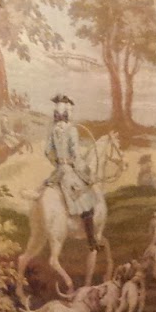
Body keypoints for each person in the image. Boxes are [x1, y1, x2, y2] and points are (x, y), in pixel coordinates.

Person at [44, 94, 98, 249]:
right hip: (69, 172)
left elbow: (47, 151)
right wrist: (86, 174)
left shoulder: (53, 130)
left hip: (58, 172)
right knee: (88, 204)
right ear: (67, 113)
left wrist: (57, 163)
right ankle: (92, 242)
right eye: (70, 110)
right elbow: (76, 156)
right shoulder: (72, 130)